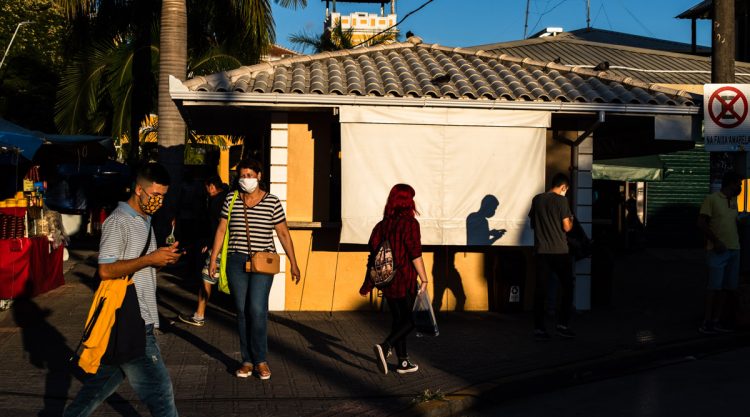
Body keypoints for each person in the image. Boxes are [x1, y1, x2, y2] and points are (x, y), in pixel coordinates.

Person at [64, 163, 181, 417]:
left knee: (97, 388)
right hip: (132, 320)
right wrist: (150, 259)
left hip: (132, 320)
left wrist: (162, 260)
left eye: (163, 195)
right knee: (161, 394)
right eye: (156, 195)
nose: (159, 201)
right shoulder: (119, 222)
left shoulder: (145, 220)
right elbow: (105, 270)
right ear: (139, 190)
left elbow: (140, 269)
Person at [207, 159, 300, 380]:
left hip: (263, 261)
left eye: (250, 174)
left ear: (259, 176)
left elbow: (283, 233)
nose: (245, 179)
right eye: (242, 175)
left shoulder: (272, 202)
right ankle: (247, 360)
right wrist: (214, 259)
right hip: (235, 261)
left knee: (257, 309)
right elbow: (221, 230)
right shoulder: (231, 199)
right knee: (242, 310)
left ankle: (261, 360)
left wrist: (293, 262)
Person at [360, 184, 429, 375]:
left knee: (399, 319)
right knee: (415, 318)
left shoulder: (383, 224)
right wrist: (424, 279)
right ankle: (386, 345)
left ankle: (403, 362)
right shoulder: (410, 224)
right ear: (408, 202)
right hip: (405, 278)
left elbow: (372, 246)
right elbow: (415, 253)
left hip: (386, 279)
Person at [528, 173, 575, 339]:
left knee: (540, 290)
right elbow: (567, 227)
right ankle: (562, 325)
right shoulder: (562, 201)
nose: (565, 193)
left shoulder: (537, 199)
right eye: (566, 190)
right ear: (563, 187)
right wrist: (571, 219)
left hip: (541, 252)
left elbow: (533, 223)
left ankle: (539, 328)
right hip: (560, 252)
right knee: (568, 288)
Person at [179, 176, 229, 326]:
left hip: (218, 247)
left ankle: (199, 315)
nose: (206, 191)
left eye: (207, 188)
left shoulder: (216, 202)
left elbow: (217, 227)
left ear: (212, 186)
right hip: (224, 246)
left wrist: (210, 245)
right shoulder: (227, 198)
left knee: (206, 278)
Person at [697, 171, 743, 334]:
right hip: (718, 250)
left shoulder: (734, 202)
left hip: (734, 248)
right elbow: (701, 223)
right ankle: (707, 321)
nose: (740, 187)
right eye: (739, 184)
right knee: (714, 287)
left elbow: (735, 222)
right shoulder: (712, 199)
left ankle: (716, 320)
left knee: (726, 287)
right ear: (730, 183)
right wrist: (716, 241)